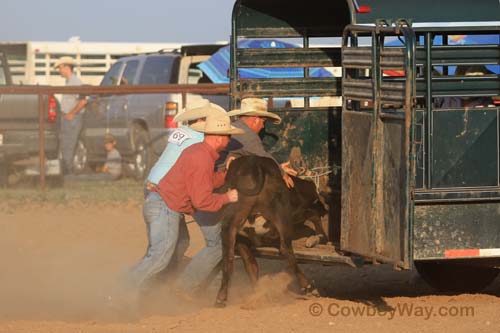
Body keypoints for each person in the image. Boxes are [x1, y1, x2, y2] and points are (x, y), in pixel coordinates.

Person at [174, 98, 297, 295]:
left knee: (215, 239)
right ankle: (187, 286)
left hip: (209, 183)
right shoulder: (246, 135)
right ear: (256, 119)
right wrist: (281, 173)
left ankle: (195, 282)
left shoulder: (233, 131)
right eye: (263, 120)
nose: (263, 125)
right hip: (216, 186)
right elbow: (263, 157)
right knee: (217, 242)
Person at [127, 109, 243, 301]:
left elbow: (202, 183)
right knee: (159, 257)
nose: (230, 140)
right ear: (219, 137)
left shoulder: (198, 151)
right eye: (228, 136)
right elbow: (202, 201)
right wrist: (227, 198)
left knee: (173, 248)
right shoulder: (202, 157)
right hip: (165, 206)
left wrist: (224, 175)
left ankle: (151, 290)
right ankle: (120, 292)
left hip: (160, 201)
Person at [142, 100, 226, 276]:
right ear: (204, 119)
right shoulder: (200, 139)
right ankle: (138, 283)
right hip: (168, 190)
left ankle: (162, 279)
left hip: (153, 184)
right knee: (162, 250)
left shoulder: (181, 132)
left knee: (175, 242)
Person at [54, 56, 87, 174]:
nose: (59, 70)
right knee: (66, 144)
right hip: (69, 117)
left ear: (67, 68)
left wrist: (71, 114)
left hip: (72, 118)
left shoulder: (75, 82)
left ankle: (68, 171)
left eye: (60, 68)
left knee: (69, 144)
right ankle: (67, 170)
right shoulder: (70, 81)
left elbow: (83, 101)